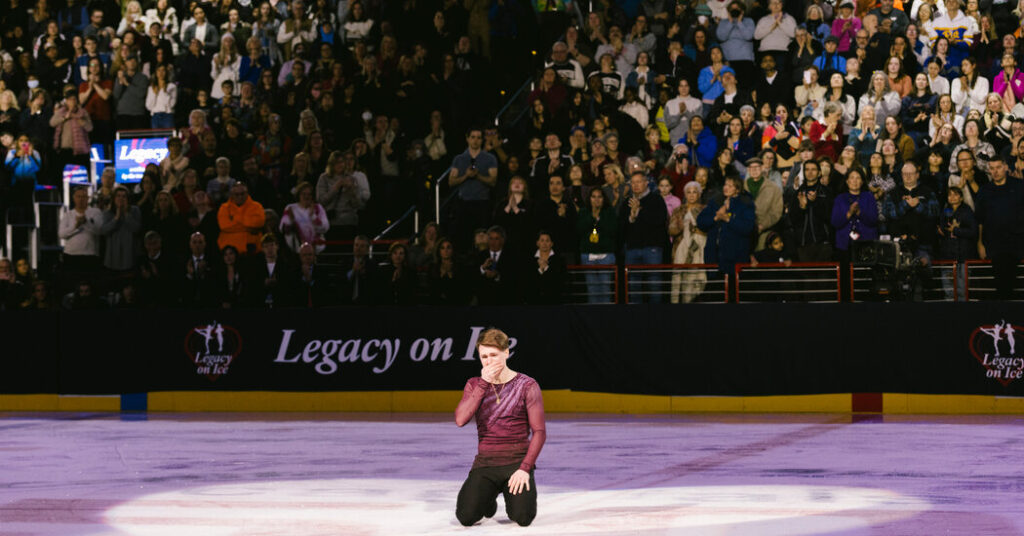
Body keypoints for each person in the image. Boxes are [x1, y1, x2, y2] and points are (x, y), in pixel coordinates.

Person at [455, 328, 545, 528]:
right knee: (466, 517)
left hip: (516, 464)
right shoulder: (474, 384)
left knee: (522, 517)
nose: (488, 361)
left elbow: (539, 432)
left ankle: (508, 490)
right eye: (484, 356)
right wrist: (484, 384)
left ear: (506, 352)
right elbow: (461, 420)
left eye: (493, 355)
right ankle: (488, 498)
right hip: (486, 464)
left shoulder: (527, 385)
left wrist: (525, 468)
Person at [697, 175, 755, 299]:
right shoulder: (715, 201)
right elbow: (701, 221)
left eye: (730, 185)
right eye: (725, 184)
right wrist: (716, 218)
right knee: (714, 295)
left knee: (734, 294)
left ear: (737, 189)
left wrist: (728, 219)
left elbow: (747, 228)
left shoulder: (746, 204)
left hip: (735, 257)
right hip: (714, 256)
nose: (726, 188)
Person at [974, 156, 1024, 299]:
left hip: (1017, 242)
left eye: (998, 167)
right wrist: (979, 243)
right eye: (992, 168)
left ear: (1006, 167)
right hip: (994, 244)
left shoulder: (1019, 186)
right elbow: (980, 220)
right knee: (1000, 284)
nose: (995, 171)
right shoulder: (984, 191)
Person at [620, 171, 669, 303]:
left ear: (646, 183)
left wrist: (640, 210)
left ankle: (656, 316)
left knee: (654, 284)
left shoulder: (656, 199)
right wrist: (632, 216)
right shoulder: (626, 203)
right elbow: (622, 227)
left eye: (639, 182)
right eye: (633, 182)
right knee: (633, 286)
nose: (635, 185)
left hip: (652, 248)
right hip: (632, 248)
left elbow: (659, 220)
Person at [936, 186, 977, 300]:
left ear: (961, 197)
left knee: (962, 292)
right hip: (947, 257)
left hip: (963, 257)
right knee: (948, 292)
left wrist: (956, 230)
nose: (952, 197)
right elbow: (941, 230)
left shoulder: (967, 211)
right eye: (950, 194)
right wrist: (940, 231)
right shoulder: (944, 211)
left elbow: (973, 231)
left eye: (955, 194)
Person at [217, 182, 266, 255]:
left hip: (253, 251)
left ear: (247, 193)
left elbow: (258, 223)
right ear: (232, 195)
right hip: (229, 253)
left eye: (242, 194)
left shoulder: (257, 206)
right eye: (237, 194)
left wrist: (234, 221)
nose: (240, 197)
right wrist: (248, 228)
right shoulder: (224, 208)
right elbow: (224, 226)